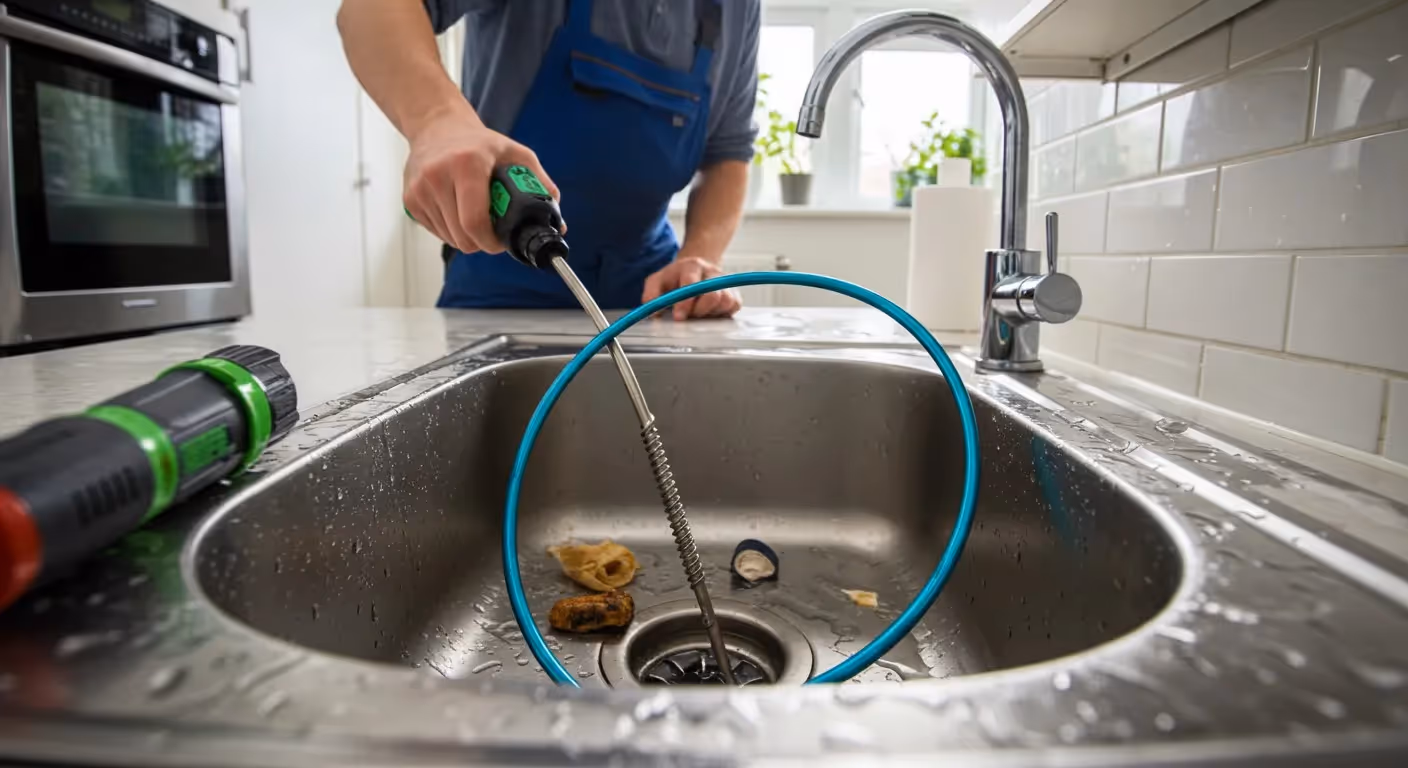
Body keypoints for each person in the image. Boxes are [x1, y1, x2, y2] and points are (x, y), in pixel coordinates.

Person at [337, 0, 760, 320]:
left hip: (649, 299)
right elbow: (370, 10)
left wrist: (698, 257)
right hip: (501, 292)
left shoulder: (739, 9)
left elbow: (727, 153)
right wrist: (438, 121)